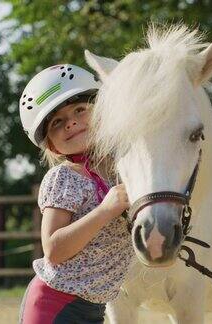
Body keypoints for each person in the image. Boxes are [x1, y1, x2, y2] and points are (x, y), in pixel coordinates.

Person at [18, 64, 133, 324]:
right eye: (57, 122)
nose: (71, 122)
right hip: (55, 304)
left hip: (94, 307)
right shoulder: (65, 178)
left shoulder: (121, 171)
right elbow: (54, 249)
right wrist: (106, 210)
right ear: (51, 144)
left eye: (80, 110)